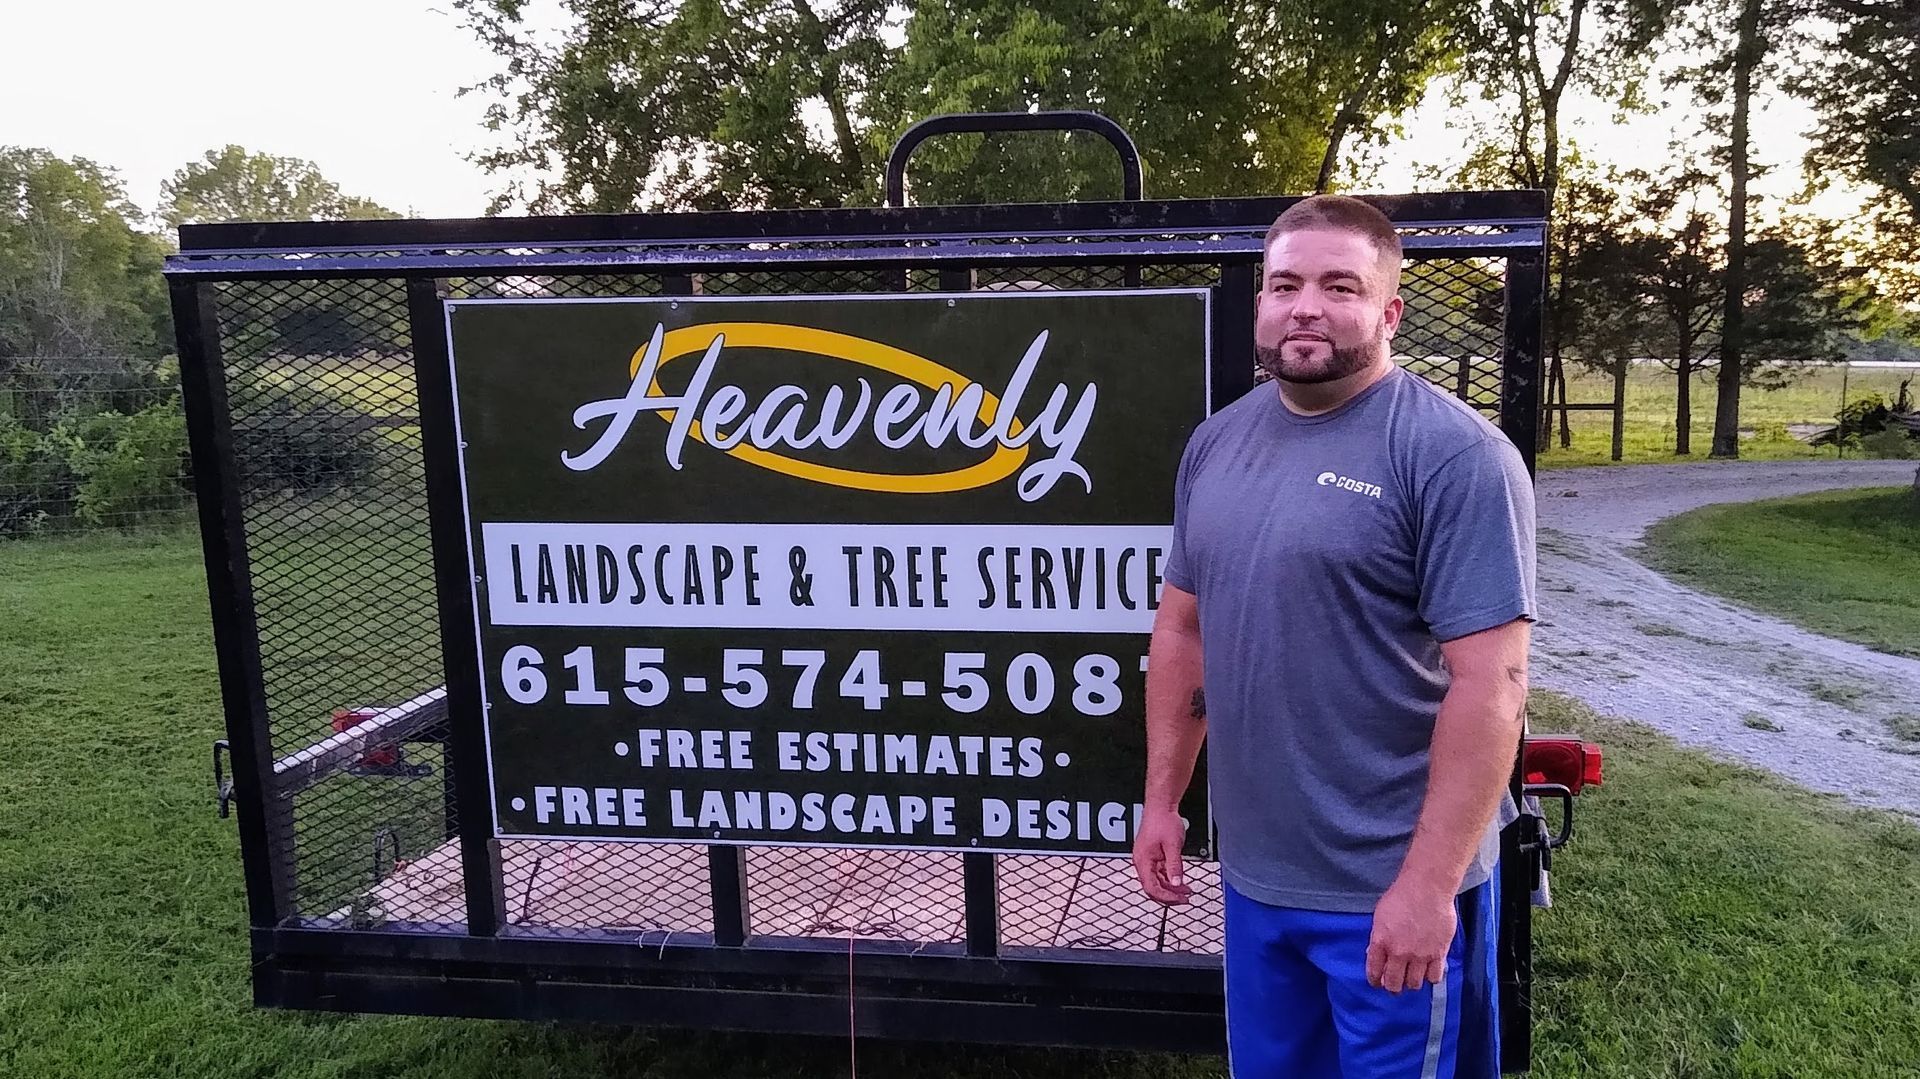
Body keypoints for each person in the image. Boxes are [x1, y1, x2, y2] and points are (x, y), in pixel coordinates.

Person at [1131, 194, 1536, 1079]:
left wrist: (1428, 888)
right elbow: (1184, 630)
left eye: (1338, 285)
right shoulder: (1216, 443)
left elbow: (1492, 686)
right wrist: (1165, 797)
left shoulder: (1455, 456)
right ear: (1262, 304)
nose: (1304, 305)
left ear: (1390, 311)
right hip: (1258, 878)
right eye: (1285, 284)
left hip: (1390, 889)